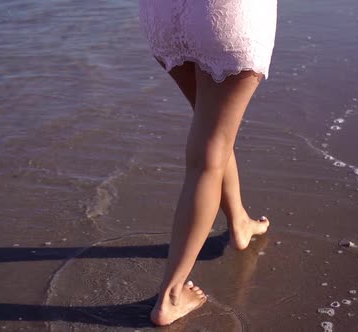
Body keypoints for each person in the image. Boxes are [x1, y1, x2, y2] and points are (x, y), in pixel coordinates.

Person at [138, 0, 278, 326]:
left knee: (212, 133)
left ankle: (239, 222)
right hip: (225, 15)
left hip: (163, 16)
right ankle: (171, 295)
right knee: (209, 152)